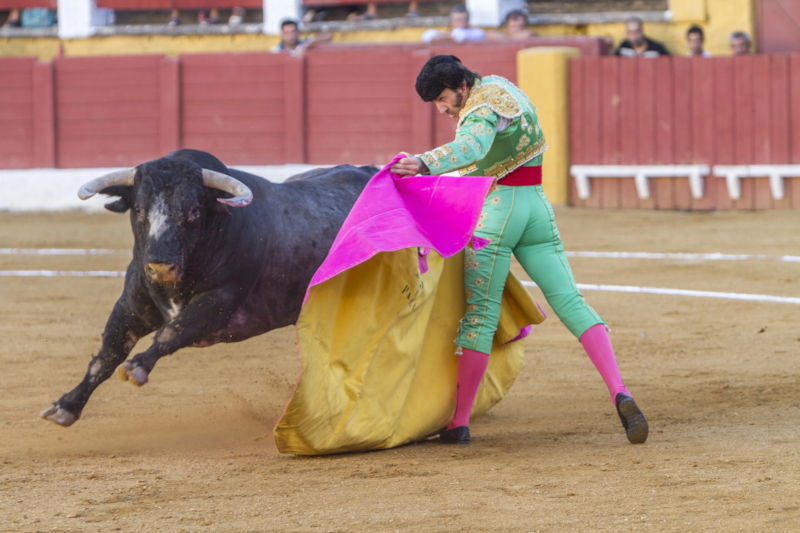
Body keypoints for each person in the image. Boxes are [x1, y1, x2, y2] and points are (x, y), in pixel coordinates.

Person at [390, 55, 648, 446]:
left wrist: (423, 163)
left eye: (443, 99)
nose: (442, 109)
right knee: (571, 301)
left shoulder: (479, 108)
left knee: (480, 315)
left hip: (496, 215)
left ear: (462, 86)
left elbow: (473, 147)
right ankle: (620, 392)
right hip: (537, 209)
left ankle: (459, 423)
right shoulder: (503, 87)